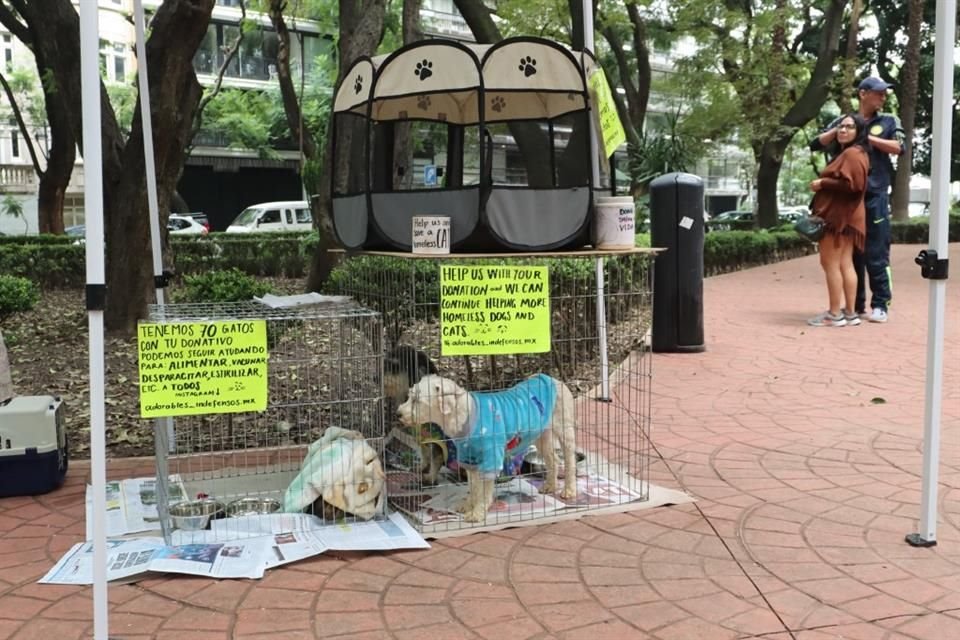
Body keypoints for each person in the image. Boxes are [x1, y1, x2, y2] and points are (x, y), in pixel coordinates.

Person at [810, 76, 905, 323]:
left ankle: (881, 304)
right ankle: (854, 305)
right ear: (863, 94)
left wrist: (864, 137)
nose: (884, 97)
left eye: (885, 94)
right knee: (851, 255)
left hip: (875, 195)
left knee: (877, 252)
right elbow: (815, 143)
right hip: (846, 200)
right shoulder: (844, 121)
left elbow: (899, 147)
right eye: (879, 93)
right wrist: (845, 127)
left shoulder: (888, 120)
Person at [806, 113, 869, 327]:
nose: (843, 130)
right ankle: (849, 313)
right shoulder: (856, 152)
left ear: (859, 132)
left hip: (839, 217)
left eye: (850, 127)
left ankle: (834, 314)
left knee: (830, 263)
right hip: (848, 216)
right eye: (841, 126)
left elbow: (854, 185)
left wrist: (823, 183)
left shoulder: (852, 154)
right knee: (844, 264)